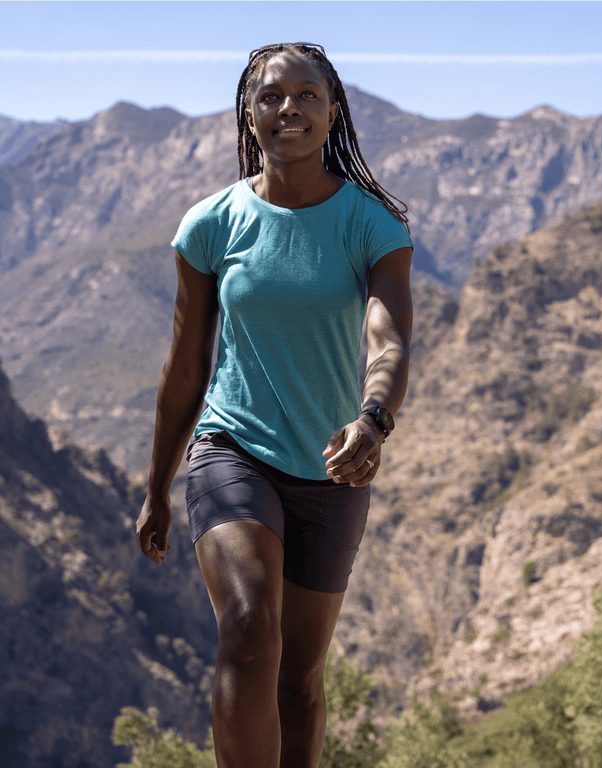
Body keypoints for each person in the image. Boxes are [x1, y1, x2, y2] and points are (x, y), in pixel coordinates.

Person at [135, 42, 413, 768]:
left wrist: (373, 420)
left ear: (332, 109)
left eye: (307, 96)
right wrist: (157, 488)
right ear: (248, 113)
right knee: (251, 633)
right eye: (271, 97)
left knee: (298, 682)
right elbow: (186, 364)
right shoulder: (210, 224)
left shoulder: (370, 224)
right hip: (233, 450)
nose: (289, 109)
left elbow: (388, 343)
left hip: (333, 469)